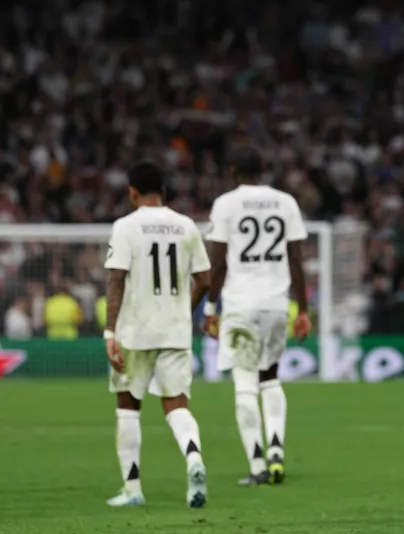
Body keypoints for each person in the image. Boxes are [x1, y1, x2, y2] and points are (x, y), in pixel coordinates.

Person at [103, 161, 211, 508]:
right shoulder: (186, 226)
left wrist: (109, 331)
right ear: (163, 191)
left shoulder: (125, 226)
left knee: (128, 408)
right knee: (176, 405)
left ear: (132, 192)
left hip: (135, 331)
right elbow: (205, 280)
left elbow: (116, 279)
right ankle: (193, 457)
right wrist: (185, 310)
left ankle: (132, 489)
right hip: (176, 332)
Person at [202, 146, 312, 486]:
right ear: (263, 168)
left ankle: (257, 464)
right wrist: (304, 309)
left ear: (233, 171)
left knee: (244, 382)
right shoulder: (286, 202)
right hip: (277, 304)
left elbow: (218, 263)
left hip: (239, 305)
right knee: (270, 377)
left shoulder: (225, 204)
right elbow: (296, 259)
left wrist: (209, 307)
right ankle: (277, 450)